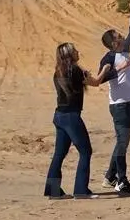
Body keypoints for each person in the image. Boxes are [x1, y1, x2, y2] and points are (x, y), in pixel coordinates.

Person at [44, 41, 104, 199]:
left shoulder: (58, 71)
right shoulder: (75, 70)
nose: (78, 52)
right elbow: (96, 82)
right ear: (70, 55)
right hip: (71, 116)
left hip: (59, 116)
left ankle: (53, 191)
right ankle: (81, 190)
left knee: (59, 154)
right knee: (85, 151)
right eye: (75, 50)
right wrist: (106, 70)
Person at [95, 0, 130, 195]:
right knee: (122, 143)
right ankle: (121, 180)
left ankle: (109, 177)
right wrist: (116, 70)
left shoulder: (125, 50)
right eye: (119, 36)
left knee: (123, 142)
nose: (123, 36)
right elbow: (99, 79)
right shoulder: (109, 58)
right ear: (114, 42)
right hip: (120, 107)